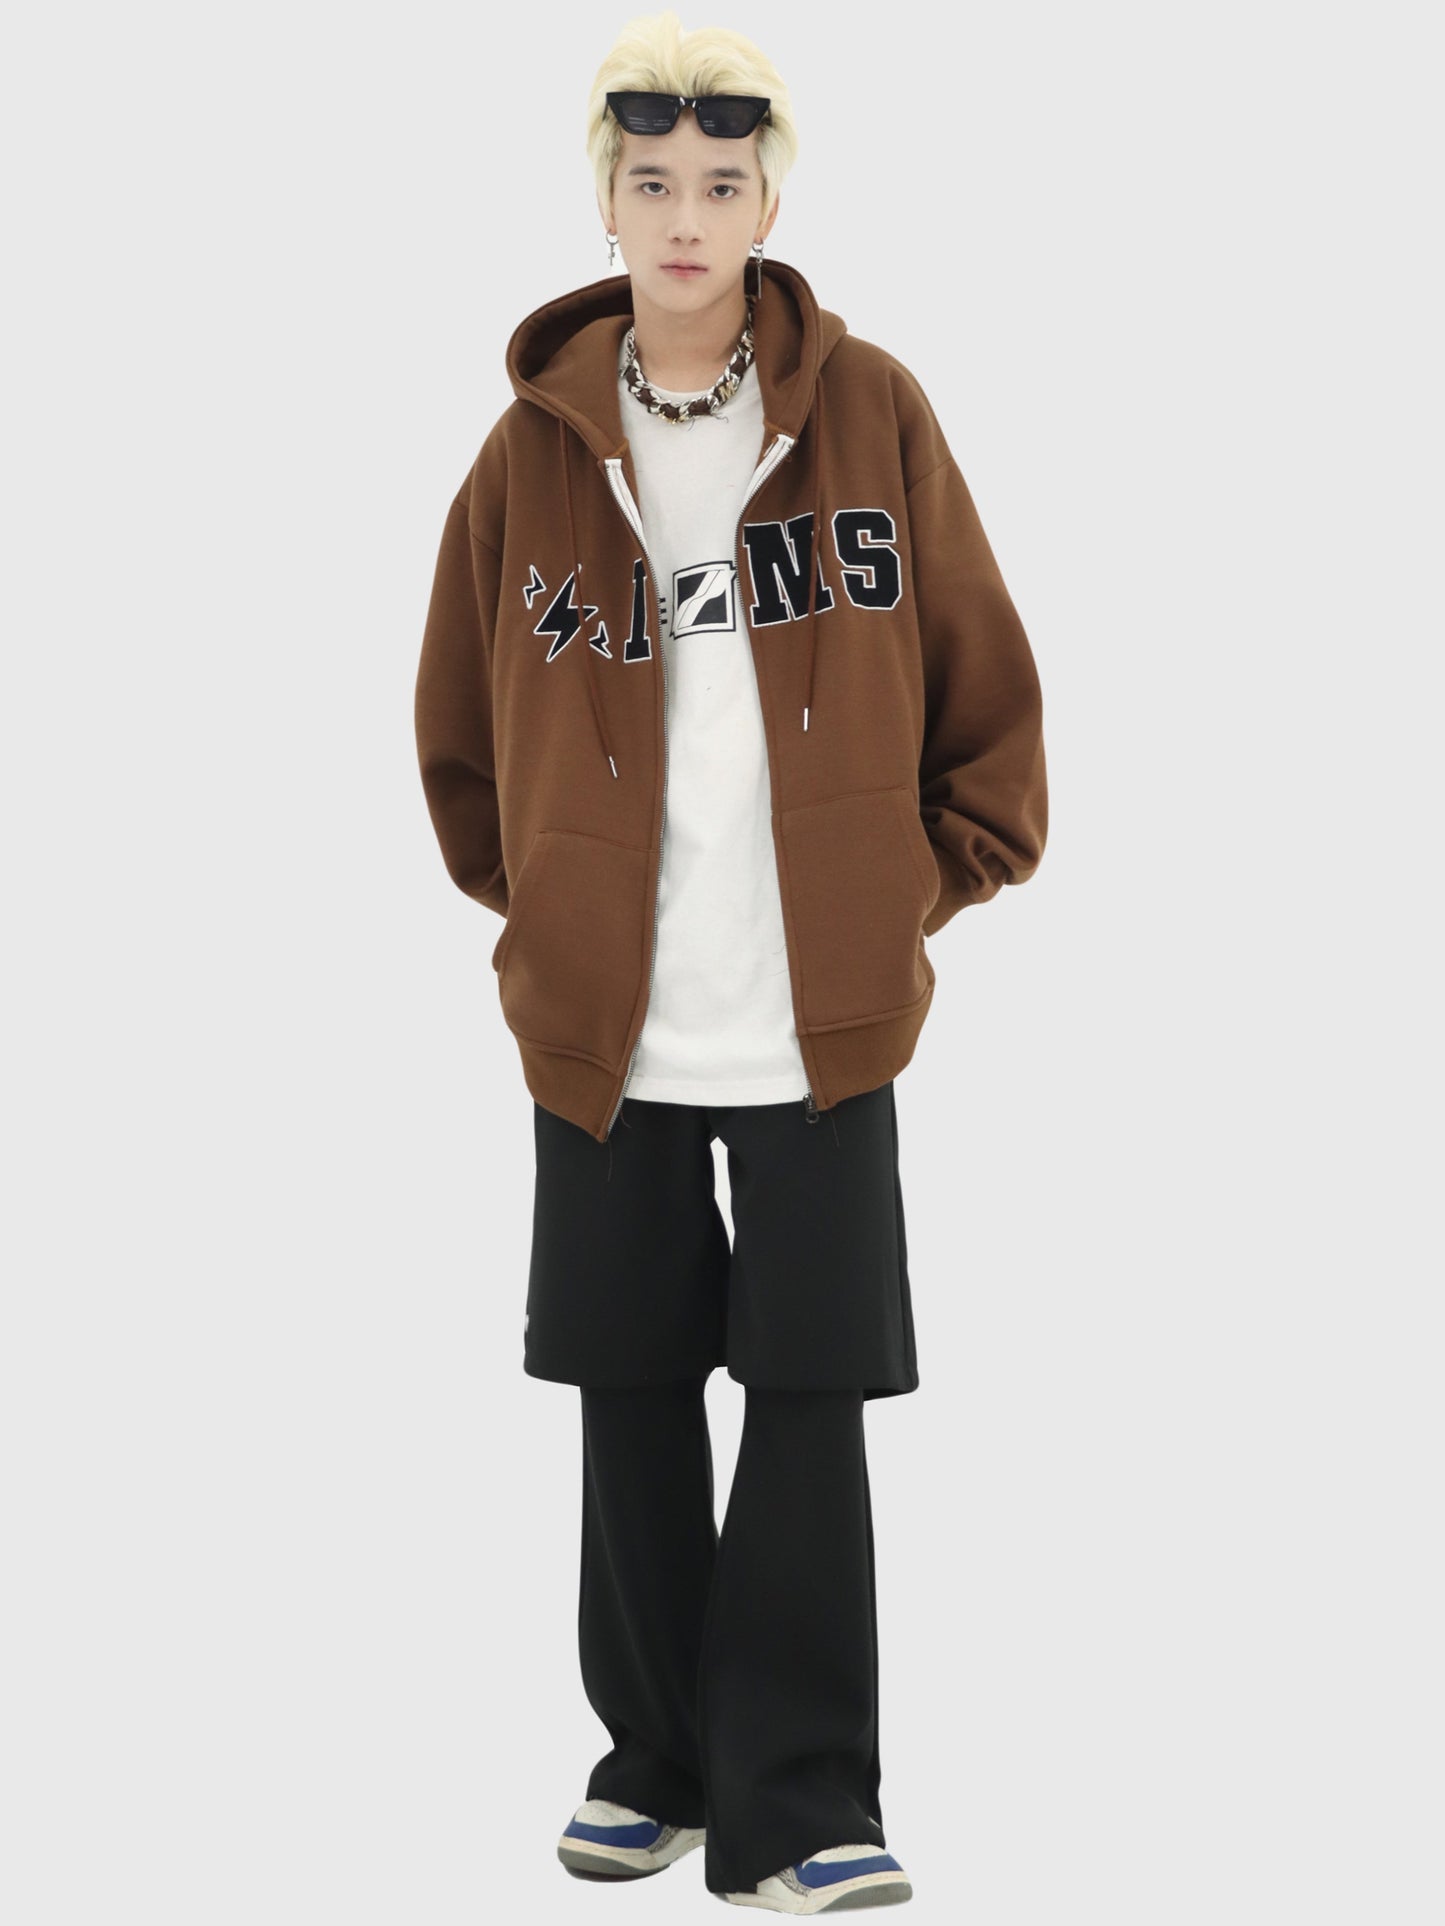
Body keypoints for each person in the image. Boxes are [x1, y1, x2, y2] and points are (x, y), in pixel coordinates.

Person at [413, 10, 1047, 1912]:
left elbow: (985, 696)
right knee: (624, 1391)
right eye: (649, 182)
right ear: (602, 202)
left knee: (806, 1399)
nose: (684, 218)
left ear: (770, 202)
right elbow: (457, 733)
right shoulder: (530, 454)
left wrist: (900, 893)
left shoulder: (872, 415)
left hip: (816, 1021)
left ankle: (805, 1796)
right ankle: (657, 1759)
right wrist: (548, 914)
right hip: (603, 1026)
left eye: (719, 182)